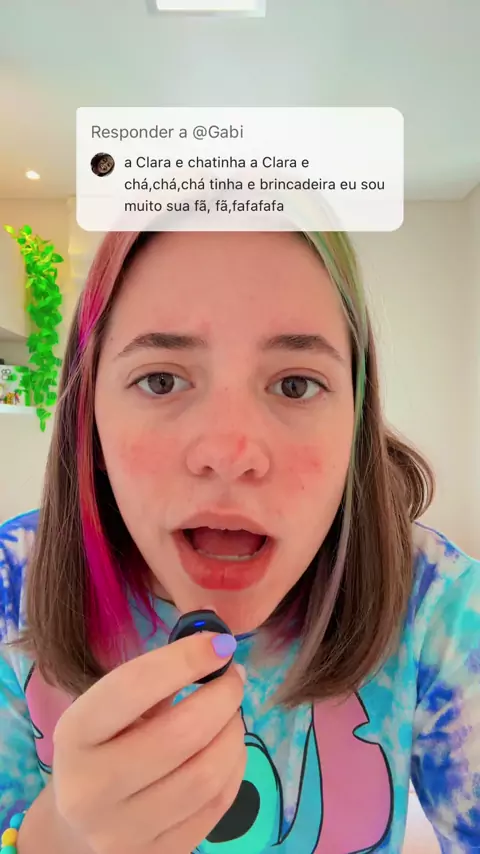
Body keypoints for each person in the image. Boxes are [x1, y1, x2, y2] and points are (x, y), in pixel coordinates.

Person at [0, 229, 479, 854]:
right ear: (89, 417)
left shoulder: (441, 608)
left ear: (356, 426)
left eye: (296, 384)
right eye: (161, 380)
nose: (229, 453)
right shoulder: (12, 585)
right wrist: (58, 839)